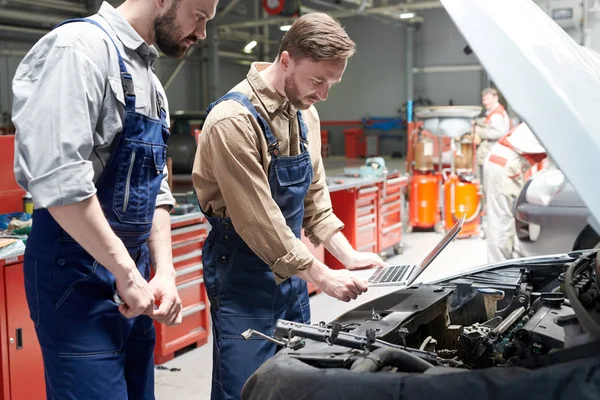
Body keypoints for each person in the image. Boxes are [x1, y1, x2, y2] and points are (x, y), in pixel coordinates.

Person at [11, 0, 218, 398]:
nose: (203, 33)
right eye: (200, 16)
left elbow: (155, 185)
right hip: (75, 274)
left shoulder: (150, 80)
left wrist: (165, 273)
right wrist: (126, 273)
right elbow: (59, 180)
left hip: (132, 275)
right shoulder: (77, 50)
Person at [192, 12, 387, 400]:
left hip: (292, 275)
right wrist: (322, 275)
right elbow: (259, 219)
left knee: (295, 380)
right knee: (246, 387)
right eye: (318, 80)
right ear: (285, 60)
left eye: (333, 82)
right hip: (243, 276)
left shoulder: (305, 113)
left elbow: (314, 195)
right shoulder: (233, 121)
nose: (324, 94)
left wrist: (347, 256)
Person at [483, 122, 547, 263]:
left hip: (505, 162)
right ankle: (498, 273)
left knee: (515, 220)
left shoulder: (549, 116)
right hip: (505, 164)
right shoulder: (556, 123)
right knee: (502, 223)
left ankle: (513, 267)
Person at [470, 87, 511, 182]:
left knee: (487, 180)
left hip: (492, 152)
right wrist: (475, 122)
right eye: (484, 99)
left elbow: (499, 133)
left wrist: (479, 131)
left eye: (488, 99)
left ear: (495, 98)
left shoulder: (497, 114)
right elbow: (487, 122)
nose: (485, 102)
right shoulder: (493, 112)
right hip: (490, 152)